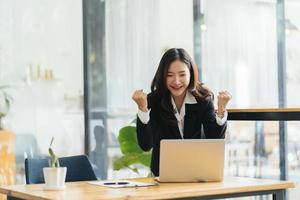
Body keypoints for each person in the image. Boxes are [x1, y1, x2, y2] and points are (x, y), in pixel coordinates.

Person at [132, 48, 231, 176]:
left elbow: (215, 138)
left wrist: (221, 108)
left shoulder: (202, 99)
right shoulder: (154, 100)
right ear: (162, 76)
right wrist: (142, 109)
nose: (176, 81)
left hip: (197, 173)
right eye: (169, 75)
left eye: (182, 74)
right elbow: (146, 145)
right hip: (163, 175)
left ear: (191, 74)